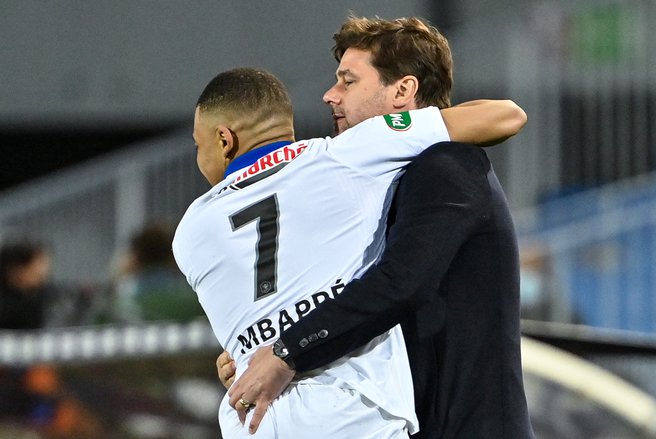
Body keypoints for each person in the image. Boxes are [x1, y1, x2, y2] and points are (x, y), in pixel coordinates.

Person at [221, 16, 535, 438]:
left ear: (403, 90)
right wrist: (250, 356)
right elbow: (334, 299)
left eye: (348, 82)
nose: (330, 96)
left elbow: (399, 284)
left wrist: (284, 352)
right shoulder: (371, 192)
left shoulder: (446, 166)